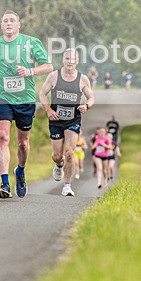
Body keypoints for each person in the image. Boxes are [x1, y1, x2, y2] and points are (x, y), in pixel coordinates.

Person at [0, 10, 53, 199]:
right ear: (1, 25)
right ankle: (5, 183)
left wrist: (30, 71)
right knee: (3, 136)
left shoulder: (31, 42)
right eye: (5, 20)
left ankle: (20, 171)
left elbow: (48, 66)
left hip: (25, 98)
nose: (8, 23)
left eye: (12, 20)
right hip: (2, 96)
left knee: (23, 143)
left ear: (18, 24)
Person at [39, 48, 94, 197]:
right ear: (63, 60)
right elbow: (42, 94)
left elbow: (91, 97)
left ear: (77, 61)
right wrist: (48, 110)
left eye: (73, 59)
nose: (70, 62)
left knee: (69, 153)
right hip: (56, 120)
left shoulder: (82, 79)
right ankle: (59, 165)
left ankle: (67, 186)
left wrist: (86, 105)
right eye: (67, 58)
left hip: (73, 119)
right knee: (57, 155)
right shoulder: (54, 76)